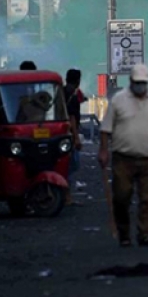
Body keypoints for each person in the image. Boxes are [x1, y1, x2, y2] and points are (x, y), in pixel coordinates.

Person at [98, 64, 148, 247]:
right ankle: (124, 234)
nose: (140, 86)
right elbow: (106, 128)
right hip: (123, 158)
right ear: (130, 81)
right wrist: (104, 150)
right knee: (121, 198)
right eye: (137, 83)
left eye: (143, 83)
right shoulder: (118, 100)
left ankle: (145, 234)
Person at [63, 69, 84, 206]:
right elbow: (72, 118)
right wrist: (76, 138)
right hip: (69, 135)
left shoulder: (60, 92)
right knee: (70, 165)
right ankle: (67, 197)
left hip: (60, 133)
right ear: (78, 81)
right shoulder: (73, 96)